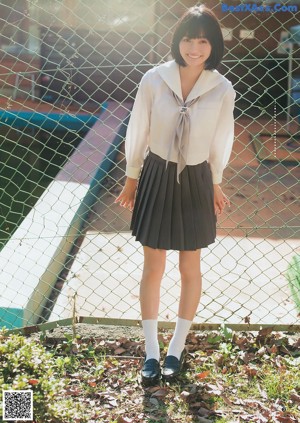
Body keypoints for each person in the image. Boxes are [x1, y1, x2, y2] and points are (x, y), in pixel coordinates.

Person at [115, 4, 236, 385]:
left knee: (190, 266)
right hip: (157, 173)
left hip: (197, 178)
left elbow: (221, 139)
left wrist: (215, 181)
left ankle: (175, 349)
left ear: (213, 44)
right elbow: (139, 126)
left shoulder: (221, 88)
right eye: (188, 39)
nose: (194, 48)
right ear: (177, 40)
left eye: (202, 40)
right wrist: (132, 176)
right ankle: (151, 351)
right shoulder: (154, 79)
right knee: (154, 264)